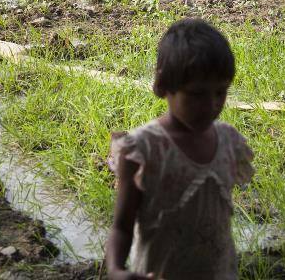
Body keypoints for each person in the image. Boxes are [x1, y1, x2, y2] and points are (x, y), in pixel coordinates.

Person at [106, 18, 254, 280]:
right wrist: (117, 270)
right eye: (197, 94)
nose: (211, 105)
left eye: (220, 92)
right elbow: (121, 226)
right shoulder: (143, 150)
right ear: (163, 87)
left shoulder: (229, 141)